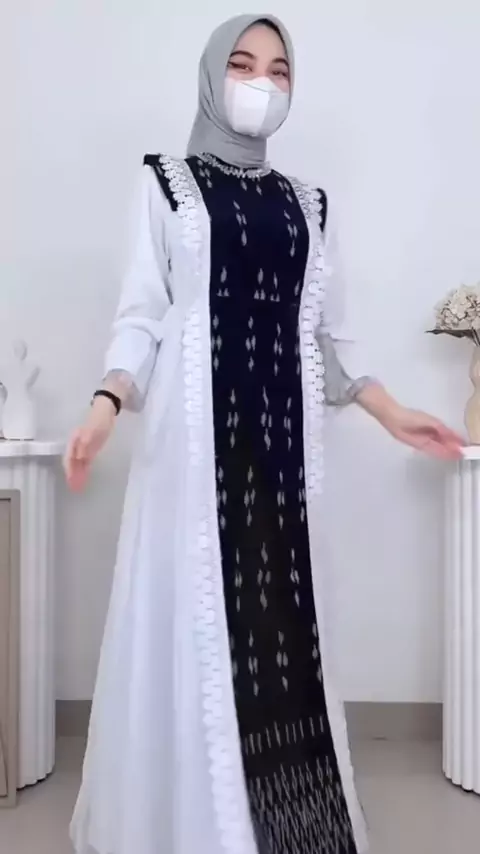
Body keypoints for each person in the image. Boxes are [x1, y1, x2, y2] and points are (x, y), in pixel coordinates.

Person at [64, 14, 463, 854]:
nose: (260, 83)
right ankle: (194, 824)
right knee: (200, 617)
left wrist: (393, 411)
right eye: (243, 64)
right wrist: (104, 404)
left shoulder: (307, 204)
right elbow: (142, 315)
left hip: (281, 446)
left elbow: (324, 336)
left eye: (279, 71)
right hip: (192, 444)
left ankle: (285, 819)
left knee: (280, 623)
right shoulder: (167, 185)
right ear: (213, 77)